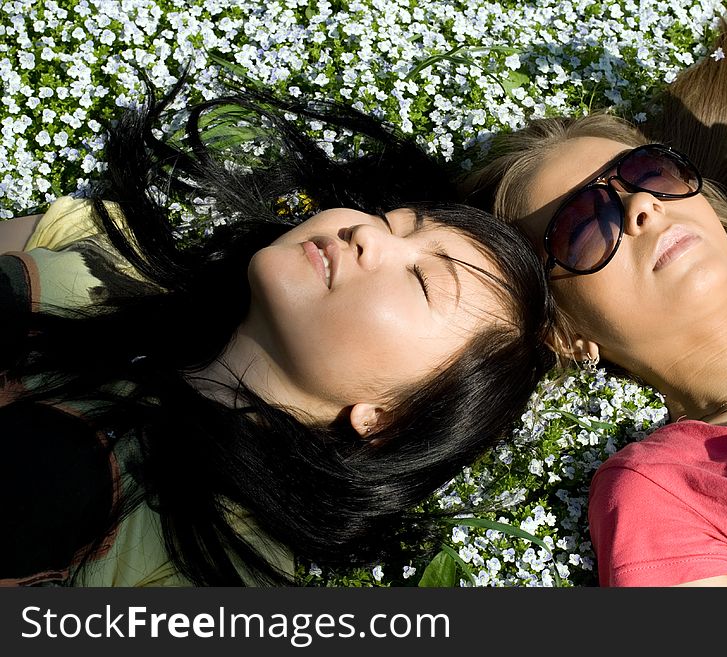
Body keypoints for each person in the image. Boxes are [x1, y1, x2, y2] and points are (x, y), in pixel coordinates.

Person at [0, 76, 556, 586]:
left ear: (388, 419)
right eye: (391, 221)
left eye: (421, 280)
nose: (367, 235)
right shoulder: (112, 249)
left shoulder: (216, 564)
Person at [461, 0, 727, 586]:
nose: (641, 206)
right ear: (563, 331)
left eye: (650, 173)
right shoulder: (667, 490)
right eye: (583, 224)